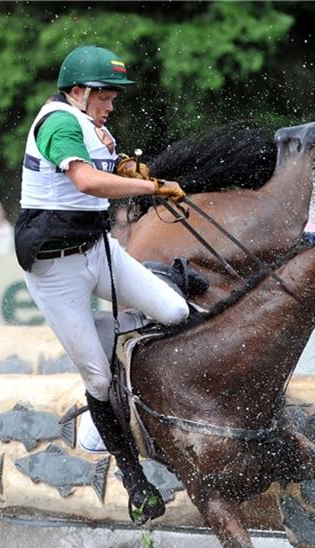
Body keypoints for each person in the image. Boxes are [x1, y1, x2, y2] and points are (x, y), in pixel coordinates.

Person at [15, 45, 191, 523]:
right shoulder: (57, 122)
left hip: (97, 251)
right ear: (78, 91)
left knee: (177, 314)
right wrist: (152, 188)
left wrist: (128, 171)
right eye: (106, 96)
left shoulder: (95, 127)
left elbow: (106, 174)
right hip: (56, 271)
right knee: (95, 377)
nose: (112, 105)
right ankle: (135, 482)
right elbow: (87, 184)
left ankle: (111, 335)